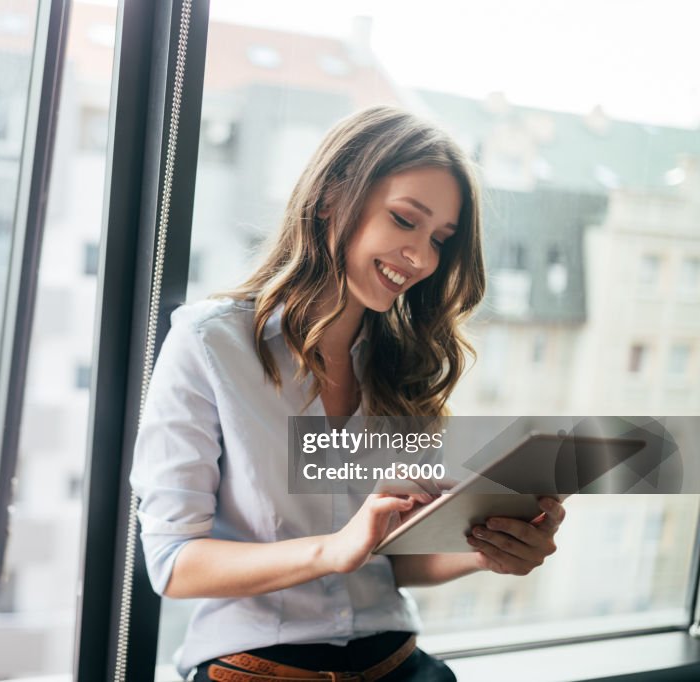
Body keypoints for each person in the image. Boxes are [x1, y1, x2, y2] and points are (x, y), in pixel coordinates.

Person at [130, 105, 566, 681]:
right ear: (333, 197)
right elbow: (173, 562)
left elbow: (390, 560)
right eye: (405, 220)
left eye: (440, 239)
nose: (423, 258)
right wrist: (332, 547)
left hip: (401, 663)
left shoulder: (401, 364)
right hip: (257, 666)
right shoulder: (210, 343)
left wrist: (489, 552)